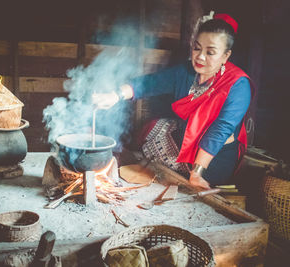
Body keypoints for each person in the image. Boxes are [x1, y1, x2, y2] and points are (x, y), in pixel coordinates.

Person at [93, 12, 254, 189]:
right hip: (188, 140)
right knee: (156, 127)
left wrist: (197, 172)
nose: (200, 57)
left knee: (165, 150)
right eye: (197, 48)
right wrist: (115, 95)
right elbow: (150, 83)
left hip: (215, 158)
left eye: (210, 52)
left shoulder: (238, 85)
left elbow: (220, 130)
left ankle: (192, 172)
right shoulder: (186, 72)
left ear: (225, 55)